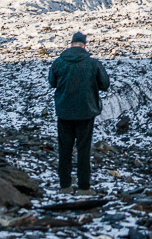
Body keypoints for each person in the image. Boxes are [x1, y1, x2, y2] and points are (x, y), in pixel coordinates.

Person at [48, 31, 110, 193]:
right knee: (83, 150)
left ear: (71, 45)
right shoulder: (93, 63)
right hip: (86, 112)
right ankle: (84, 187)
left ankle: (65, 185)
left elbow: (52, 82)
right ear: (84, 45)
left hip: (64, 112)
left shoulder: (59, 62)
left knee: (64, 149)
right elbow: (105, 84)